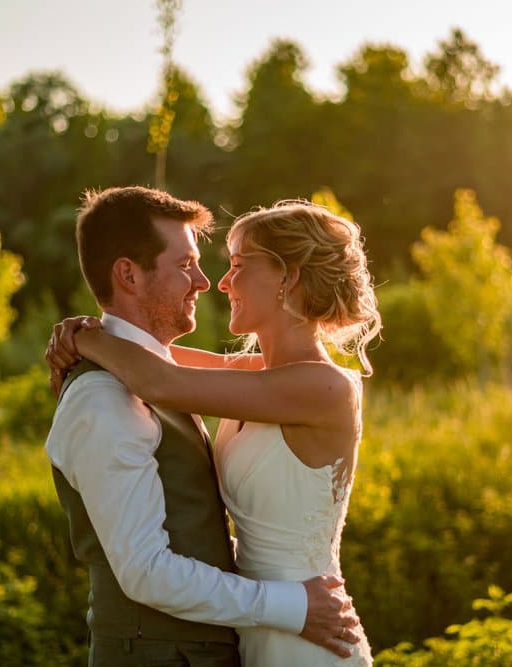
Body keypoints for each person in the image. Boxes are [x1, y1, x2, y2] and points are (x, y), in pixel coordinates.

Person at [48, 195, 380, 666]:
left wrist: (84, 338)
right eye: (195, 265)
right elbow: (155, 357)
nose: (220, 282)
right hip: (260, 624)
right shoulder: (254, 376)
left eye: (239, 265)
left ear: (288, 276)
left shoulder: (322, 387)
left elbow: (160, 380)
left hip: (311, 627)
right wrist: (85, 335)